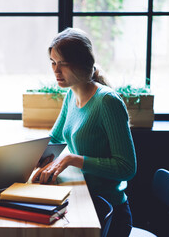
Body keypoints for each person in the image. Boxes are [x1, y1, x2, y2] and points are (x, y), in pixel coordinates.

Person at [32, 28, 137, 237]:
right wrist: (28, 158)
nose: (56, 70)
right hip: (85, 199)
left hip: (109, 211)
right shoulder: (71, 95)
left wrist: (74, 159)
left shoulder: (107, 102)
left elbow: (127, 168)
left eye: (63, 63)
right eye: (53, 62)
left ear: (83, 64)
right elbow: (55, 137)